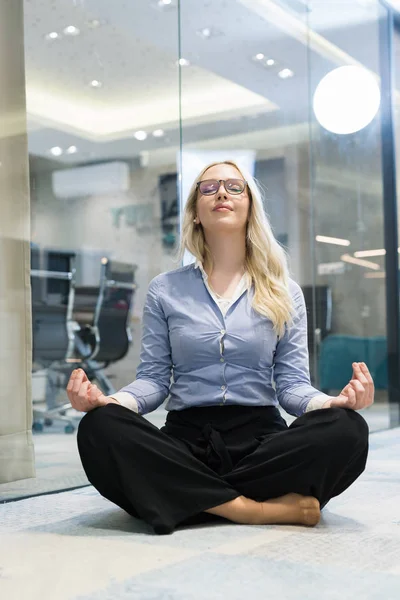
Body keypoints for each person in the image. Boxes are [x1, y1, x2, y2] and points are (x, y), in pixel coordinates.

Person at [67, 160, 373, 536]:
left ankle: (184, 496)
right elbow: (153, 381)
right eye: (209, 188)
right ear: (196, 212)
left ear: (249, 207)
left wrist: (334, 403)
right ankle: (250, 508)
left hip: (263, 442)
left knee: (348, 429)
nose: (222, 193)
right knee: (100, 427)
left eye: (234, 186)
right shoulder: (165, 289)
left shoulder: (284, 290)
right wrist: (109, 402)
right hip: (186, 441)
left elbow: (292, 386)